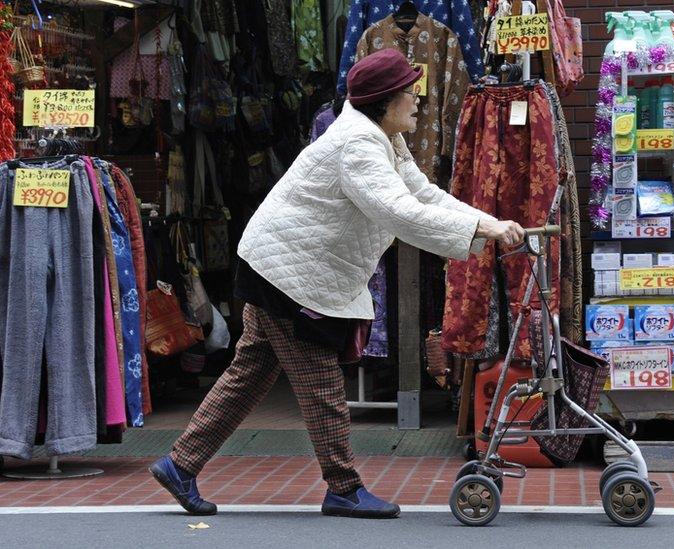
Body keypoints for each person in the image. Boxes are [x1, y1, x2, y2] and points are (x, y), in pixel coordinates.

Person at [149, 49, 524, 519]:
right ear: (386, 100)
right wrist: (481, 232)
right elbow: (398, 212)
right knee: (322, 381)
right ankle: (343, 487)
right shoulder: (359, 145)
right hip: (290, 275)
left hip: (278, 264)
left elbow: (421, 192)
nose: (418, 100)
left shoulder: (381, 136)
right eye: (411, 91)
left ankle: (179, 464)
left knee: (249, 375)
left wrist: (489, 222)